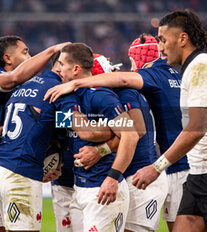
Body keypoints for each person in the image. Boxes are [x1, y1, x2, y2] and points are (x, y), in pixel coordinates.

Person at [44, 34, 190, 231]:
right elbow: (67, 130)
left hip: (137, 176)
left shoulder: (121, 93)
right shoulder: (76, 99)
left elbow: (135, 131)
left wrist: (101, 150)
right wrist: (57, 152)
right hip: (94, 182)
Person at [133, 9, 207, 232]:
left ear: (182, 38)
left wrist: (156, 167)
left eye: (162, 40)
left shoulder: (202, 66)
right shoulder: (190, 69)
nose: (160, 47)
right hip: (199, 174)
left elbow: (197, 129)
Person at [0, 35, 69, 232]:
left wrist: (53, 156)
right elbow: (14, 78)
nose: (30, 56)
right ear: (7, 58)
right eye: (25, 52)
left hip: (9, 165)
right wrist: (51, 51)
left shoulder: (29, 86)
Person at [54, 43, 139, 232]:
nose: (57, 69)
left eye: (61, 64)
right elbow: (70, 132)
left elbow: (131, 135)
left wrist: (113, 178)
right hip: (80, 188)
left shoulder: (100, 96)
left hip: (103, 188)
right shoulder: (69, 99)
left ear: (75, 69)